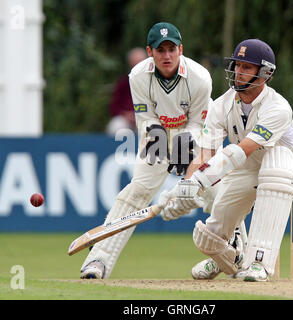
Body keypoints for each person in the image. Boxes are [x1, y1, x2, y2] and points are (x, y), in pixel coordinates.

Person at [158, 38, 293, 282]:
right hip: (247, 168)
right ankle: (229, 257)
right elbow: (205, 153)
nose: (238, 72)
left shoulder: (278, 108)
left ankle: (260, 263)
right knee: (210, 235)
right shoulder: (221, 105)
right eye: (237, 65)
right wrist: (186, 185)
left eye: (247, 67)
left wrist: (199, 180)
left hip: (287, 162)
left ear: (265, 73)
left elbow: (243, 149)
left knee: (276, 167)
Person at [80, 22, 215, 279]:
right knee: (137, 192)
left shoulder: (200, 77)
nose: (166, 56)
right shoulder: (138, 75)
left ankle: (235, 252)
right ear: (149, 51)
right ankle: (98, 260)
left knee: (216, 190)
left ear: (180, 50)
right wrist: (159, 140)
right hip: (157, 134)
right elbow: (145, 119)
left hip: (197, 134)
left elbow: (199, 122)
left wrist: (185, 145)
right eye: (160, 50)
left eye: (171, 49)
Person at [105, 48, 147, 135]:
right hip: (126, 119)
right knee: (115, 126)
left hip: (146, 119)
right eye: (135, 63)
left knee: (151, 130)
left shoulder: (154, 83)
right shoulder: (123, 83)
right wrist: (126, 114)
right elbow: (114, 106)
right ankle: (115, 148)